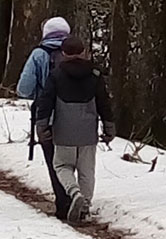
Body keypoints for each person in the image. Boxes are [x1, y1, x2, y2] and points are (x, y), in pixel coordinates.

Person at [33, 36, 115, 223]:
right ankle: (84, 206)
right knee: (87, 172)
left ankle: (74, 192)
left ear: (63, 54)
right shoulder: (95, 74)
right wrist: (109, 127)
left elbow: (45, 102)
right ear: (84, 52)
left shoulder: (56, 75)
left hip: (63, 132)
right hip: (88, 133)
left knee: (62, 166)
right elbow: (104, 102)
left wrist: (42, 126)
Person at [16, 16, 72, 210]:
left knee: (52, 157)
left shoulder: (39, 54)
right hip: (75, 115)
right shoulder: (74, 53)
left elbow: (23, 89)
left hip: (46, 116)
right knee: (72, 157)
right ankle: (77, 194)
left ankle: (63, 200)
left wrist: (39, 95)